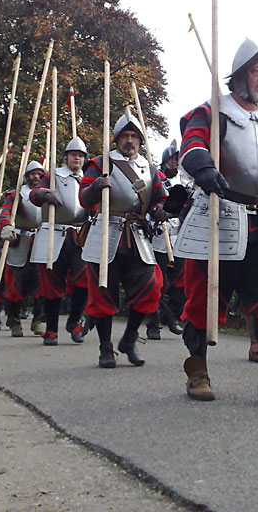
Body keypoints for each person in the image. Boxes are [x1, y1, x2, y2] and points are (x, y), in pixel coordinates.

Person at [174, 37, 258, 402]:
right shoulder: (212, 111)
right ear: (238, 76)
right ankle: (198, 371)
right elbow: (193, 144)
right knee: (204, 299)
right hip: (216, 214)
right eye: (256, 70)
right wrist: (203, 168)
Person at [78, 108, 167, 368]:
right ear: (117, 139)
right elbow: (83, 197)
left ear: (140, 141)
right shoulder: (100, 163)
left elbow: (159, 197)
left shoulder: (149, 169)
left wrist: (159, 209)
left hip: (138, 237)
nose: (129, 140)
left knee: (150, 288)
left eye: (134, 136)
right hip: (106, 232)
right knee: (102, 293)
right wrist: (95, 186)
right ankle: (105, 347)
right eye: (125, 135)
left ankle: (129, 338)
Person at [28, 137, 90, 345]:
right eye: (74, 155)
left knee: (85, 279)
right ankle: (51, 329)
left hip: (80, 235)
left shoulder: (88, 179)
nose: (77, 159)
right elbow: (34, 194)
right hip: (54, 231)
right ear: (66, 157)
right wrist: (46, 193)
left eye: (81, 156)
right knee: (52, 284)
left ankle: (73, 321)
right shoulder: (52, 176)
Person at [0, 162, 44, 336]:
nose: (36, 177)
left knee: (42, 284)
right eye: (33, 174)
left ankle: (38, 319)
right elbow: (5, 212)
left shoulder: (48, 192)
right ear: (27, 176)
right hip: (21, 240)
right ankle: (14, 320)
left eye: (40, 174)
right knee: (15, 285)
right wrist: (6, 225)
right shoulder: (16, 194)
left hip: (42, 240)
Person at [147, 139, 185, 339]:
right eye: (171, 159)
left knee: (181, 282)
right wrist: (155, 211)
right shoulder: (153, 178)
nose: (174, 163)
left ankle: (171, 315)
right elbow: (144, 203)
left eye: (177, 160)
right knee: (156, 284)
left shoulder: (184, 182)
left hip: (179, 238)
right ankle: (153, 324)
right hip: (157, 236)